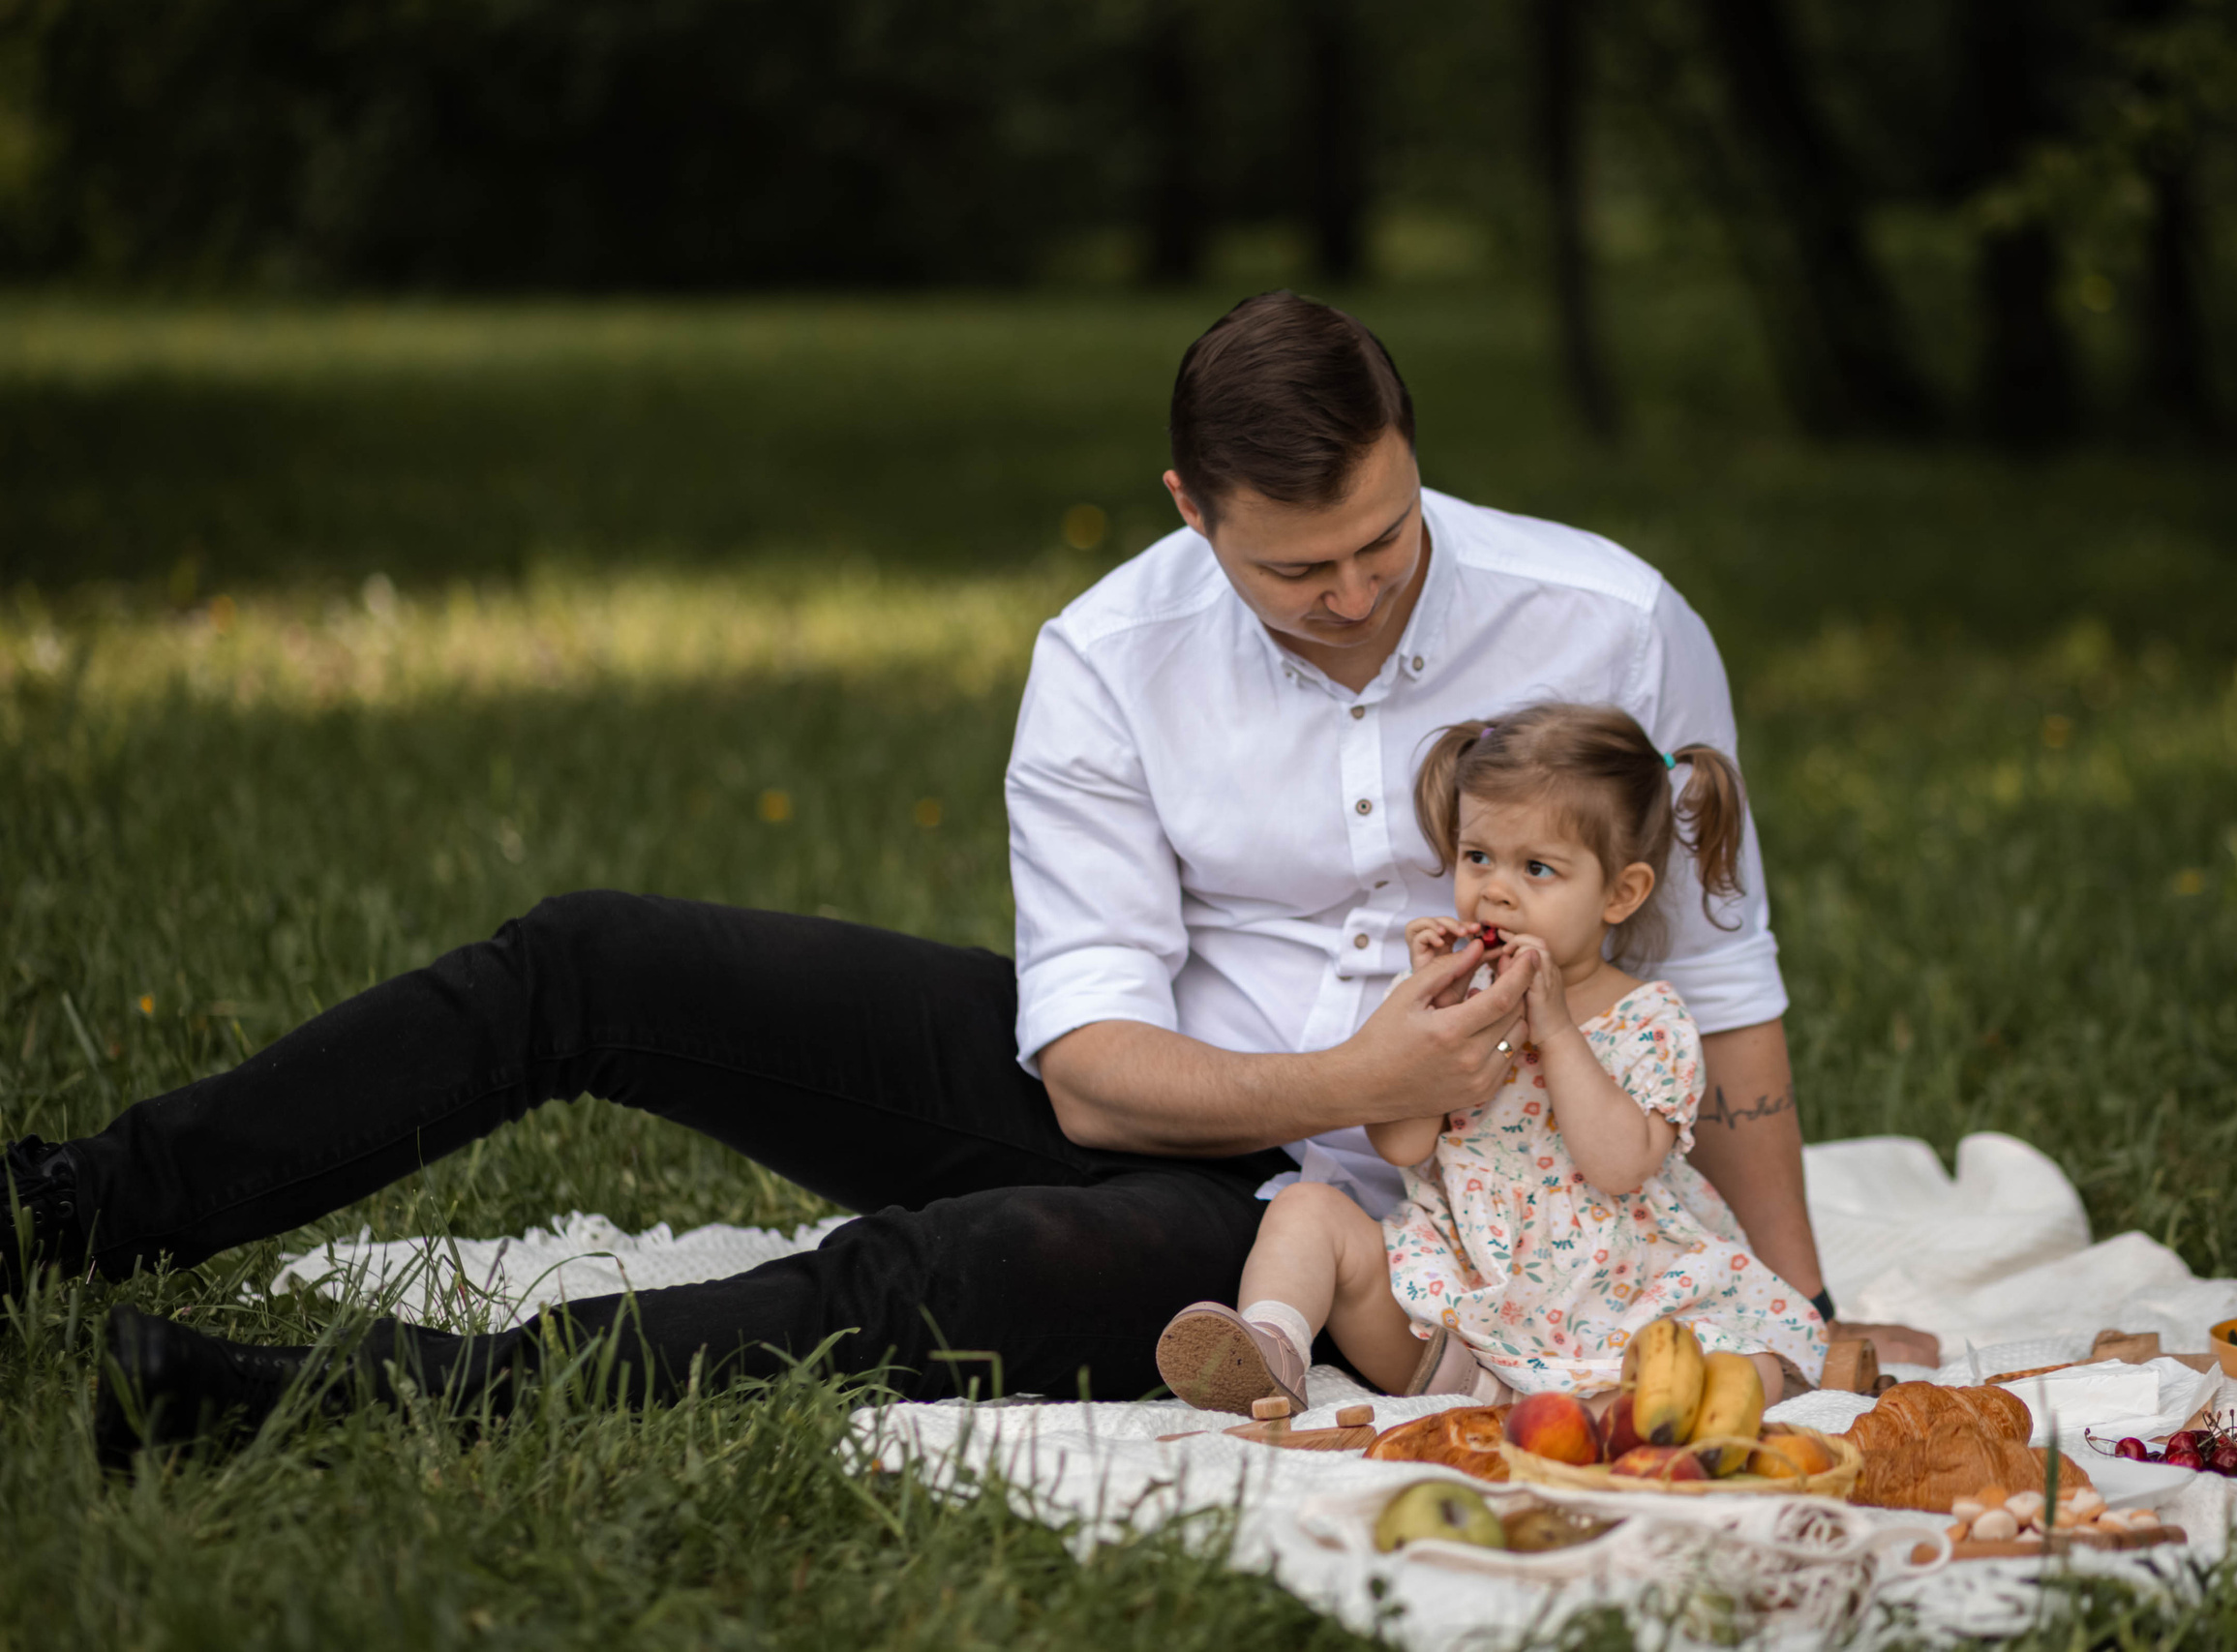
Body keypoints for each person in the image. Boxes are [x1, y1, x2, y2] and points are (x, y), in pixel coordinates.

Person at [2, 291, 1924, 1455]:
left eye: (1383, 541)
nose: (1351, 596)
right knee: (587, 959)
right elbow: (1084, 1064)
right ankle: (76, 1206)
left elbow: (1729, 987)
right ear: (1191, 512)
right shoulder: (1106, 653)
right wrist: (1361, 1078)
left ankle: (318, 1396)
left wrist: (1786, 1312)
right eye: (1294, 567)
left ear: (1415, 460)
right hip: (1166, 1084)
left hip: (1332, 1233)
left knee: (944, 1276)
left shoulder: (1611, 619)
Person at [1153, 704, 1827, 1420]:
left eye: (1537, 868)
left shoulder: (1649, 1019)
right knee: (1306, 1209)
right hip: (1458, 1317)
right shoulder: (1464, 1005)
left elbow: (1621, 1165)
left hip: (1616, 1306)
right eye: (1478, 857)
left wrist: (1560, 1031)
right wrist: (1428, 1013)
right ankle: (1272, 1350)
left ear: (1620, 893)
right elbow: (1403, 1144)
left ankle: (1611, 1412)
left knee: (1748, 1363)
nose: (1496, 889)